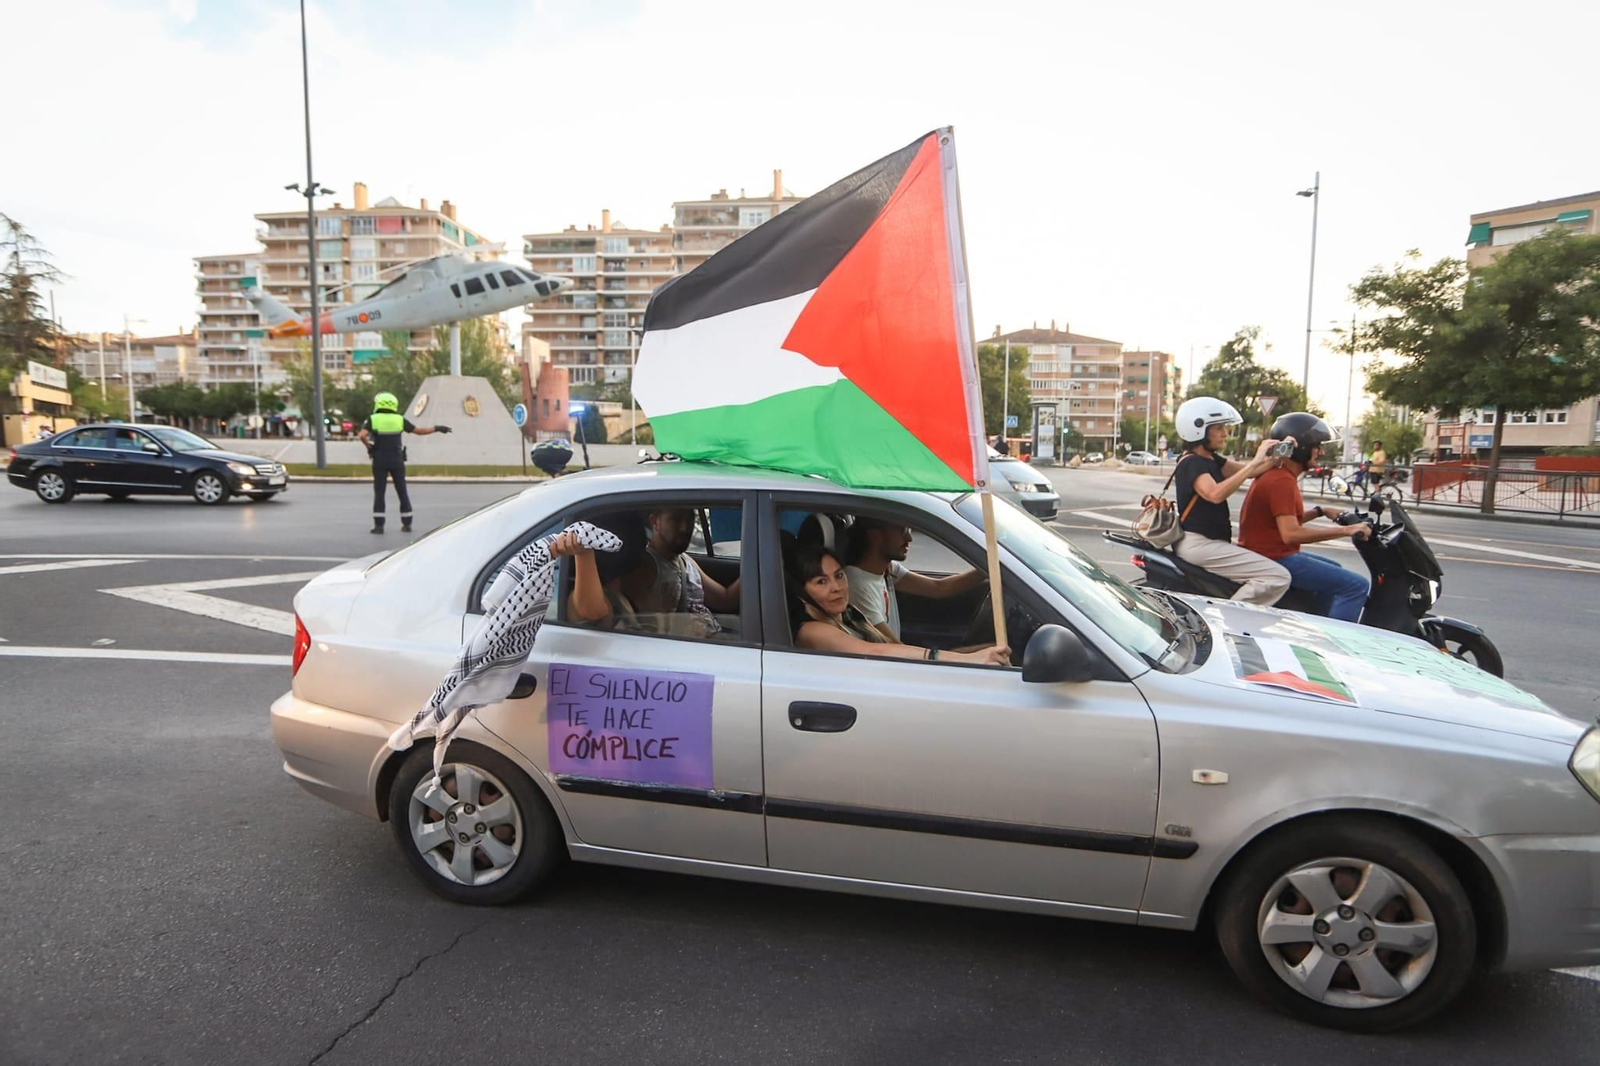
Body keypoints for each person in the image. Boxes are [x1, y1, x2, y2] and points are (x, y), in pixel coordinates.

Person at [1237, 412, 1371, 622]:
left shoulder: (1278, 475)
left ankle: (1318, 626)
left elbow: (1281, 521)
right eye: (1317, 446)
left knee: (1335, 571)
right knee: (1356, 585)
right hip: (1275, 557)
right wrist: (1347, 530)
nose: (1321, 451)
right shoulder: (1281, 481)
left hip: (1269, 552)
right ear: (1302, 447)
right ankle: (1335, 645)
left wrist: (1320, 511)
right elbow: (1290, 534)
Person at [787, 543, 1009, 665]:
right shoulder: (812, 631)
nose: (837, 587)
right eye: (821, 581)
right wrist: (967, 659)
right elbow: (877, 650)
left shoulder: (846, 614)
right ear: (800, 593)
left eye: (839, 575)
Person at [1169, 396, 1291, 606]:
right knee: (1277, 577)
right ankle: (1227, 621)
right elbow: (1214, 494)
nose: (1224, 433)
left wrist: (1281, 452)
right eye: (1217, 428)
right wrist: (1254, 462)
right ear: (1197, 429)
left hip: (1210, 543)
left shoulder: (1211, 460)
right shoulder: (1192, 463)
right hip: (1199, 544)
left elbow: (1251, 472)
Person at [844, 516, 986, 642]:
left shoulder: (888, 569)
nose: (909, 538)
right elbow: (894, 647)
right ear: (875, 536)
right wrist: (968, 656)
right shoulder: (855, 585)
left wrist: (989, 568)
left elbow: (939, 588)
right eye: (902, 530)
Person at [619, 507, 739, 635]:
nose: (684, 528)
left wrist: (758, 564)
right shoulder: (646, 566)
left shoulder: (684, 560)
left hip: (712, 635)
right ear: (655, 522)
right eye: (675, 520)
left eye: (690, 520)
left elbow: (724, 600)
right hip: (690, 647)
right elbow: (646, 627)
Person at [356, 391, 451, 534]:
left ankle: (379, 526)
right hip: (397, 459)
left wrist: (369, 447)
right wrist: (437, 428)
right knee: (402, 491)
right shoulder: (399, 419)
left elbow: (362, 435)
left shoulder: (373, 419)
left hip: (380, 459)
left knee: (380, 492)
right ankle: (407, 523)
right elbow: (419, 431)